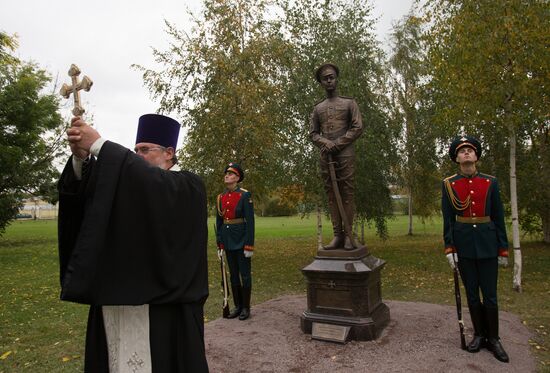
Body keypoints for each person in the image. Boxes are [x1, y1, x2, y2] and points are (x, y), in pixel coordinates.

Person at [58, 114, 209, 372]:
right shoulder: (130, 184)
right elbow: (92, 200)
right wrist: (82, 159)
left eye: (145, 150)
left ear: (169, 153)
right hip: (116, 300)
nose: (138, 155)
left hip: (163, 309)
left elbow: (152, 184)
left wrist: (99, 145)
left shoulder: (187, 186)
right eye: (135, 150)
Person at [442, 135, 510, 363]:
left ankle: (494, 338)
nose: (467, 153)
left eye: (470, 150)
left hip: (489, 245)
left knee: (490, 295)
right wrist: (450, 247)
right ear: (456, 158)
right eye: (462, 151)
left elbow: (499, 216)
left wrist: (503, 249)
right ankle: (479, 335)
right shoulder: (449, 184)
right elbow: (449, 219)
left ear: (477, 155)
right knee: (472, 294)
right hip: (464, 247)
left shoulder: (491, 182)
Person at [309, 63, 363, 250]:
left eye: (332, 77)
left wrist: (337, 144)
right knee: (332, 195)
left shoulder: (349, 103)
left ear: (336, 78)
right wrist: (325, 143)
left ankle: (349, 236)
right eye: (326, 78)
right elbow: (313, 133)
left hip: (345, 154)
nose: (329, 80)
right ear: (322, 83)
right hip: (326, 156)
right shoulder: (318, 108)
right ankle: (337, 236)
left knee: (347, 194)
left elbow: (357, 127)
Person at [215, 162, 255, 320]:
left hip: (241, 239)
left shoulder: (245, 195)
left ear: (237, 178)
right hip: (227, 240)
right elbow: (219, 222)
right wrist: (219, 242)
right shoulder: (221, 197)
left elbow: (250, 222)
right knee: (232, 275)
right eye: (226, 173)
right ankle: (237, 306)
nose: (227, 176)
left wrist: (249, 244)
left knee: (244, 274)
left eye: (231, 174)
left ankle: (246, 307)